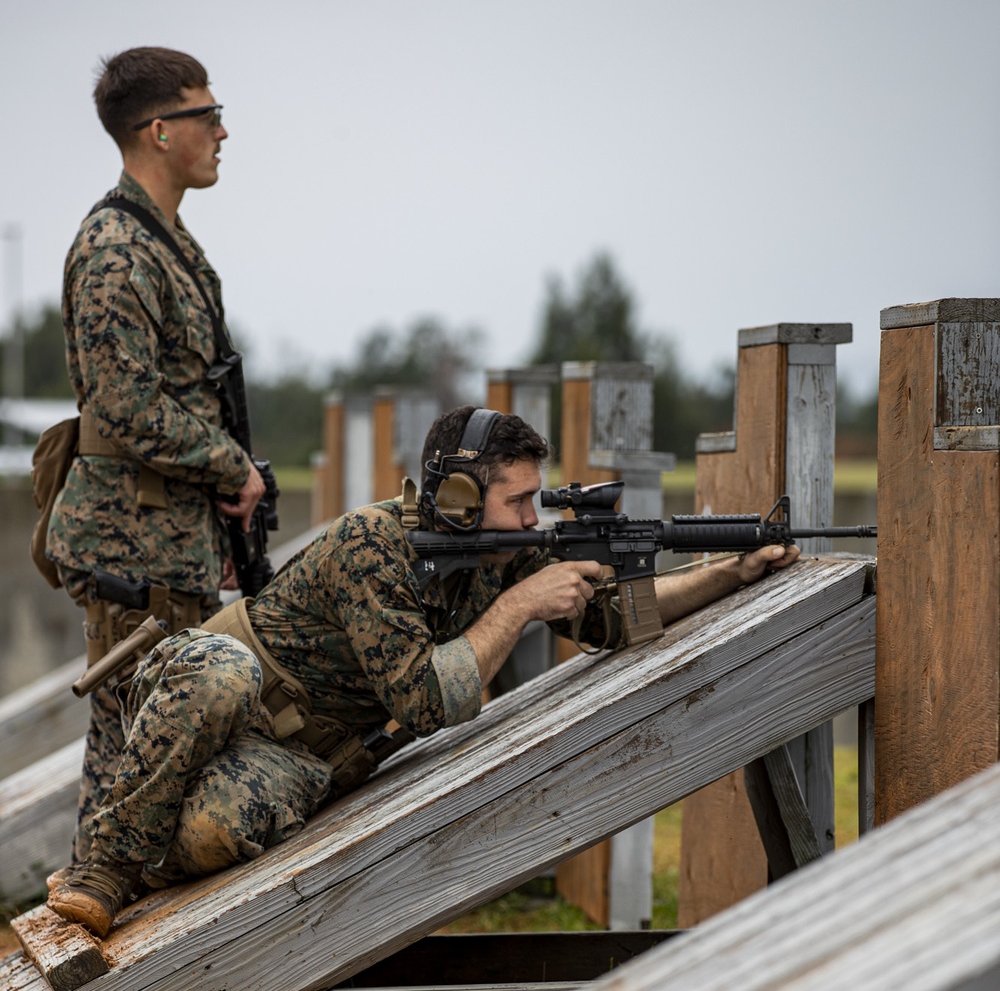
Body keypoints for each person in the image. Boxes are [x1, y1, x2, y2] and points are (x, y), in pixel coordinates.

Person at [47, 406, 799, 939]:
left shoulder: (501, 553)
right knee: (217, 677)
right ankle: (101, 871)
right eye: (519, 501)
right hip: (223, 685)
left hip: (298, 752)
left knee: (216, 832)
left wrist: (730, 572)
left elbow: (612, 620)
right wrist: (522, 606)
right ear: (461, 501)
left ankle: (144, 859)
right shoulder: (375, 546)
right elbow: (424, 700)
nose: (532, 520)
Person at [47, 46, 265, 862]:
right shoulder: (117, 249)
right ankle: (90, 938)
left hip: (168, 544)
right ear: (160, 129)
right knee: (127, 766)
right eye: (209, 116)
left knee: (143, 760)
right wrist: (230, 466)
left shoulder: (168, 240)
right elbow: (126, 404)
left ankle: (101, 923)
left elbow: (189, 391)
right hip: (128, 550)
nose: (223, 132)